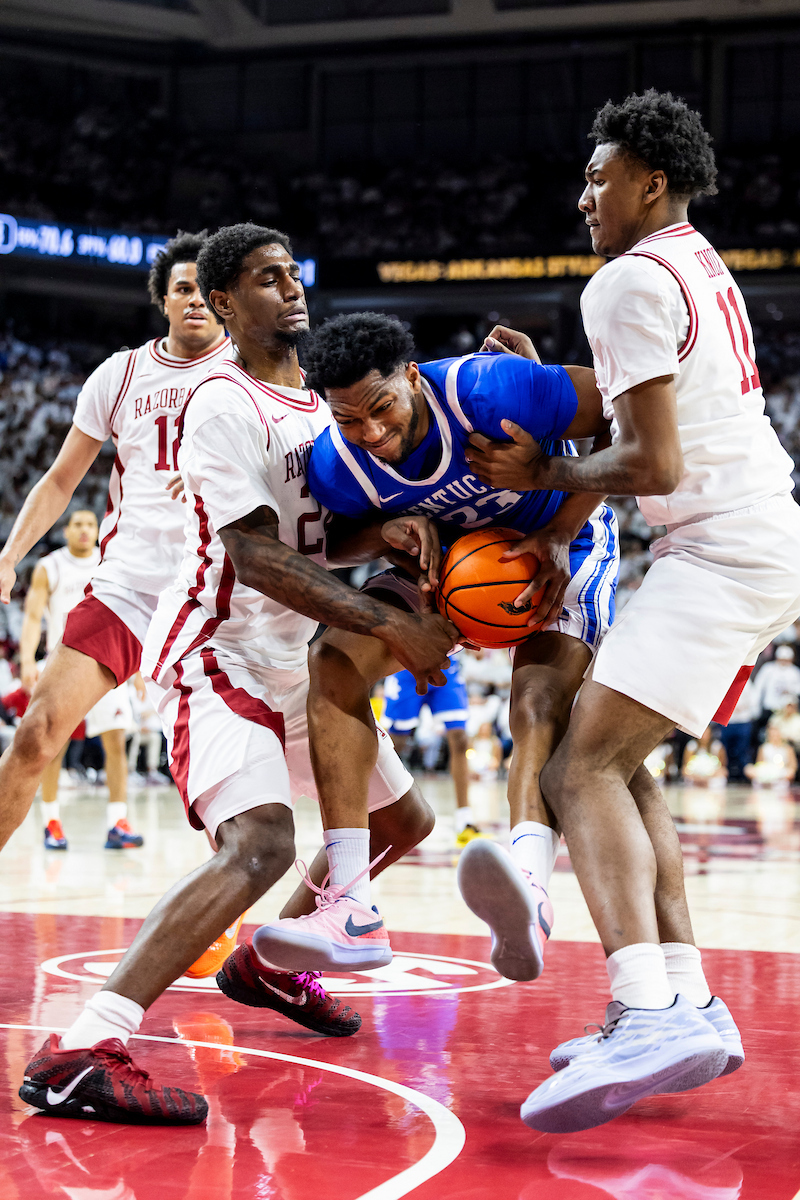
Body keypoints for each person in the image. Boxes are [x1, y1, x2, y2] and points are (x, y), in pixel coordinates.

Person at [19, 223, 457, 1126]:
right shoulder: (219, 405)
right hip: (217, 654)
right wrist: (386, 622)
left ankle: (270, 962)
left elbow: (317, 535)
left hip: (293, 656)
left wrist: (383, 533)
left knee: (404, 821)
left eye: (292, 273)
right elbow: (256, 555)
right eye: (266, 278)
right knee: (260, 844)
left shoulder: (317, 403)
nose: (291, 288)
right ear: (224, 302)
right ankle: (81, 1048)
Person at [470, 90, 798, 1131]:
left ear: (649, 182)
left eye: (597, 178)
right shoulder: (693, 261)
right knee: (618, 760)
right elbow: (651, 415)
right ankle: (684, 997)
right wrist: (547, 398)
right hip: (740, 539)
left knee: (576, 771)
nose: (582, 198)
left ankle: (644, 1010)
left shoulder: (622, 280)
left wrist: (544, 468)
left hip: (721, 549)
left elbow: (649, 460)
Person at [253, 309, 621, 984]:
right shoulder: (339, 465)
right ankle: (350, 905)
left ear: (414, 378)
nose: (372, 433)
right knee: (333, 661)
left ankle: (530, 896)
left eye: (382, 407)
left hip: (557, 543)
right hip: (449, 565)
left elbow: (622, 414)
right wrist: (388, 529)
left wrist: (557, 521)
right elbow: (333, 542)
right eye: (349, 420)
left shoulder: (491, 391)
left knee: (536, 704)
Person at [0, 230, 231, 863]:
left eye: (206, 290)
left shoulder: (252, 372)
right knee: (37, 733)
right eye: (182, 288)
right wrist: (10, 554)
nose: (195, 300)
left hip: (214, 596)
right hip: (128, 586)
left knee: (224, 792)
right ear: (164, 299)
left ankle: (229, 915)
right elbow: (59, 480)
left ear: (224, 299)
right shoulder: (121, 373)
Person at [19, 509, 143, 850]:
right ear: (66, 531)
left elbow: (131, 614)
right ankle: (51, 823)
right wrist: (27, 660)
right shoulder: (50, 567)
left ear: (98, 529)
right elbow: (33, 617)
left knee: (115, 742)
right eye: (78, 525)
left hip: (108, 662)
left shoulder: (111, 561)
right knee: (52, 746)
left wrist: (138, 668)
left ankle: (117, 823)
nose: (85, 530)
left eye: (90, 524)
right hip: (63, 665)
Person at [382, 659, 480, 846]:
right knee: (395, 743)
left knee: (460, 738)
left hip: (446, 663)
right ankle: (378, 810)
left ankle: (464, 818)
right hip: (406, 664)